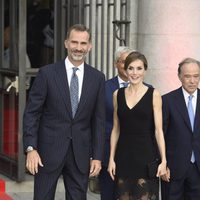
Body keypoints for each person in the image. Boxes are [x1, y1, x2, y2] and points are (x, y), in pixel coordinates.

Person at [23, 24, 105, 200]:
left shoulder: (97, 78)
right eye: (74, 42)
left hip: (80, 154)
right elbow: (32, 114)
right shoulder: (47, 74)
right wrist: (31, 148)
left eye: (83, 43)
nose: (78, 47)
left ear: (89, 46)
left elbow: (98, 121)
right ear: (66, 43)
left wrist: (97, 156)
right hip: (47, 152)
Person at [108, 51, 169, 200]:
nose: (134, 73)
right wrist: (111, 159)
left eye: (139, 68)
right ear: (125, 70)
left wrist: (164, 160)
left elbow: (158, 130)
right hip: (123, 157)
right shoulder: (117, 94)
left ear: (145, 70)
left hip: (146, 157)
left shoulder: (154, 94)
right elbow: (116, 129)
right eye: (131, 68)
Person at [161, 57, 200, 200]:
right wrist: (162, 164)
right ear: (179, 76)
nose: (192, 81)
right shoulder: (167, 100)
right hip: (173, 169)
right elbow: (160, 135)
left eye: (196, 76)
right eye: (187, 76)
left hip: (198, 170)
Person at [99, 46, 133, 200]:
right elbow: (97, 121)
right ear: (115, 64)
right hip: (108, 153)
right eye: (123, 62)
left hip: (135, 155)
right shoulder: (104, 88)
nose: (127, 66)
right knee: (108, 195)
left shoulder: (148, 90)